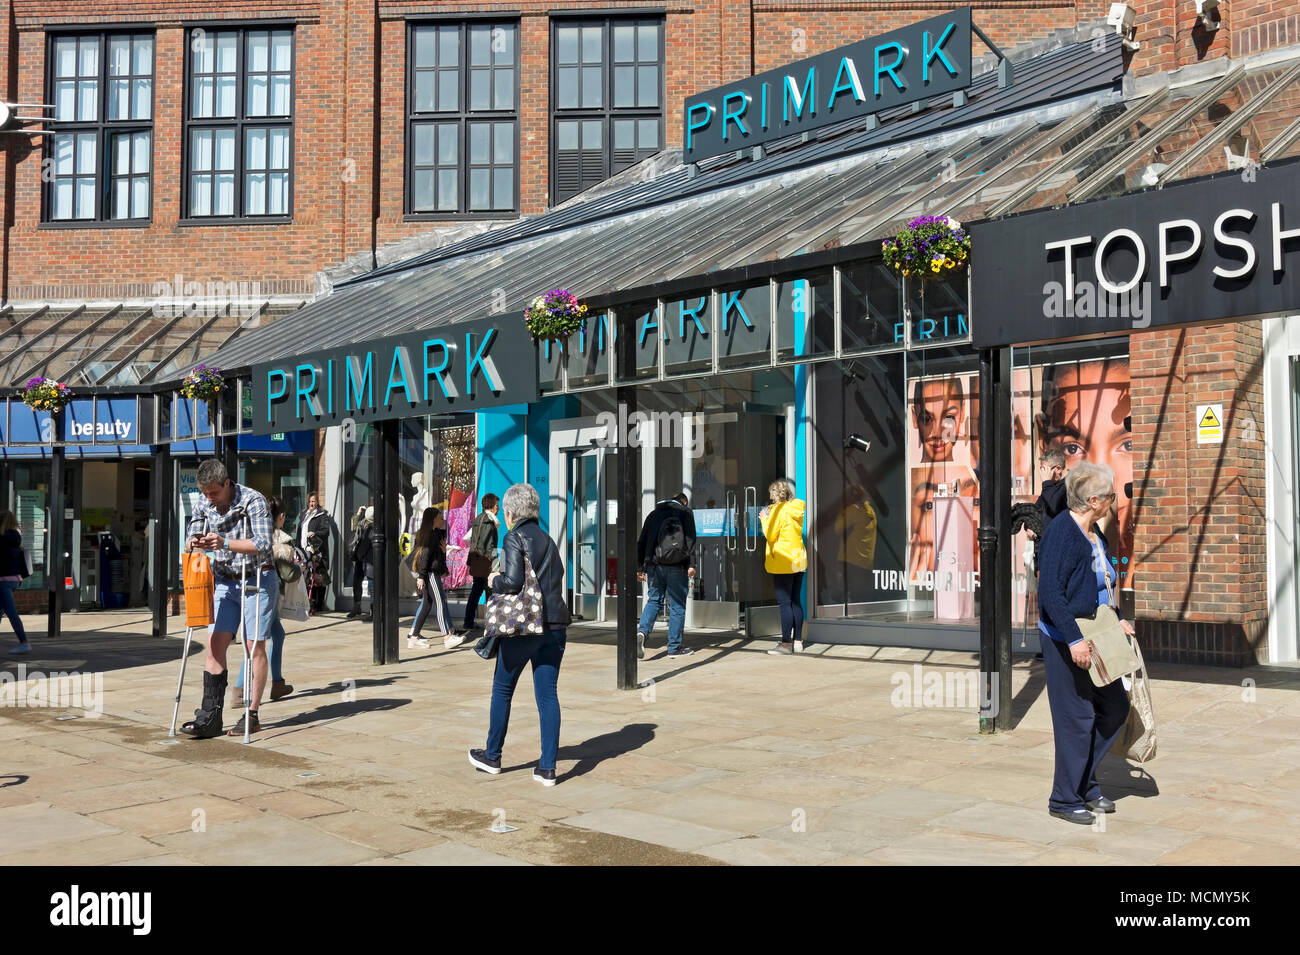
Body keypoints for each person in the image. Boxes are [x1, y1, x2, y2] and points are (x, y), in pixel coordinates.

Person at [1036, 461, 1133, 825]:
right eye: (1109, 496)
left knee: (1115, 708)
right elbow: (1051, 595)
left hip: (1098, 635)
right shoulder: (1062, 533)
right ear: (1093, 500)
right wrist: (1074, 640)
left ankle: (1084, 783)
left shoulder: (1095, 534)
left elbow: (1101, 583)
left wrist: (1118, 616)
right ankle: (1064, 799)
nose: (1113, 501)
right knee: (1077, 717)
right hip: (1066, 639)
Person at [468, 482, 570, 787]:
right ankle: (547, 768)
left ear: (510, 513)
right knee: (548, 696)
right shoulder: (549, 540)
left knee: (502, 689)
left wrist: (493, 579)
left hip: (525, 627)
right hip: (555, 627)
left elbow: (512, 582)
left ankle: (493, 755)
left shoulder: (514, 537)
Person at [180, 459, 275, 739]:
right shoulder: (203, 501)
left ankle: (253, 713)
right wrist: (194, 542)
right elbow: (190, 534)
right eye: (206, 493)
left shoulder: (252, 501)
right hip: (223, 580)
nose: (210, 498)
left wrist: (223, 542)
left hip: (256, 577)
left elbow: (262, 543)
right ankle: (209, 715)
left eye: (214, 493)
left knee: (253, 645)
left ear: (227, 483)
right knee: (213, 645)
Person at [232, 496, 295, 707]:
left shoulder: (253, 531)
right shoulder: (278, 539)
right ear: (281, 517)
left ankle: (277, 683)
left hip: (251, 588)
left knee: (275, 635)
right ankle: (240, 692)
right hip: (265, 593)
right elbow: (288, 573)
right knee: (255, 643)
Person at [635, 491, 697, 659]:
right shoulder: (685, 513)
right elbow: (691, 540)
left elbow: (642, 541)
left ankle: (642, 632)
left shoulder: (654, 514)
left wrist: (640, 567)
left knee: (654, 601)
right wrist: (692, 564)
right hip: (677, 565)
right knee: (677, 605)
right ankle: (674, 648)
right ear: (683, 502)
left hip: (654, 566)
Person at [759, 479, 808, 655]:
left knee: (784, 603)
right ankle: (798, 641)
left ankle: (786, 644)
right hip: (798, 560)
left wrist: (764, 520)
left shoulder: (778, 510)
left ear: (774, 494)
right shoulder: (796, 508)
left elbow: (771, 536)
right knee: (795, 601)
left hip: (783, 561)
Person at [409, 506, 462, 650]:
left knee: (427, 605)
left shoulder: (435, 534)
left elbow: (436, 556)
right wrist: (421, 576)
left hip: (433, 573)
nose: (442, 519)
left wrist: (444, 553)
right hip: (430, 574)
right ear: (433, 519)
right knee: (440, 602)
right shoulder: (430, 535)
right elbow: (425, 557)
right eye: (439, 517)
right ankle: (447, 637)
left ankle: (413, 637)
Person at [461, 493, 500, 633]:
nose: (498, 508)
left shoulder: (478, 518)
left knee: (476, 592)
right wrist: (495, 563)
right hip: (486, 561)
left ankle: (468, 622)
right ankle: (492, 623)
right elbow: (489, 545)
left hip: (478, 561)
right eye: (496, 505)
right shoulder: (489, 521)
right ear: (491, 505)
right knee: (490, 591)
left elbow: (469, 539)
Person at [0, 512, 30, 655]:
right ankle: (23, 642)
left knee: (11, 613)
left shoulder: (3, 539)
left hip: (3, 580)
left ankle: (24, 642)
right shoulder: (16, 538)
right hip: (13, 580)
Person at [297, 492, 332, 613]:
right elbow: (299, 532)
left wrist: (315, 534)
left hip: (316, 551)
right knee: (306, 577)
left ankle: (317, 605)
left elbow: (325, 531)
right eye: (310, 501)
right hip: (303, 550)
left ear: (317, 502)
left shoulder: (322, 515)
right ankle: (308, 603)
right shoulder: (304, 515)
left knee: (318, 577)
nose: (311, 503)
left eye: (314, 501)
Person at [348, 504, 374, 620]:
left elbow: (365, 543)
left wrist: (359, 555)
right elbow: (353, 528)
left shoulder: (374, 526)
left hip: (368, 559)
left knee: (372, 585)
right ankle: (357, 607)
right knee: (357, 582)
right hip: (361, 559)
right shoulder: (363, 522)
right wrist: (358, 514)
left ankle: (373, 611)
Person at [1037, 447, 1068, 527]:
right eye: (1041, 469)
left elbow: (1054, 504)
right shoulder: (1049, 487)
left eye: (1044, 469)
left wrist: (1046, 482)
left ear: (1058, 469)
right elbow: (1036, 509)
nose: (1042, 473)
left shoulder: (1068, 486)